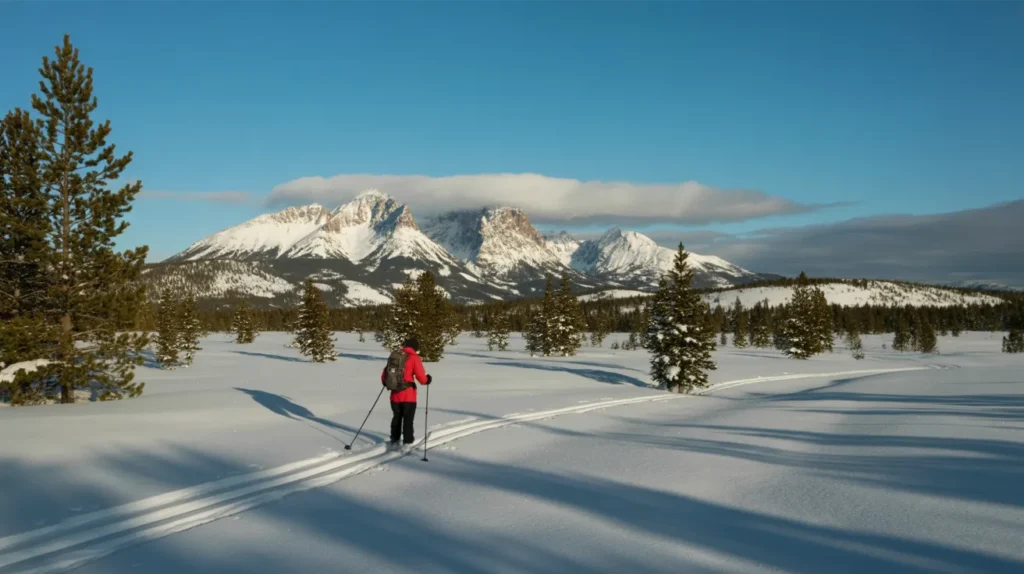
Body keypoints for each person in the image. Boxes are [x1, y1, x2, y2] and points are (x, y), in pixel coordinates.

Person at [380, 337, 431, 447]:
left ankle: (394, 440)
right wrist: (427, 380)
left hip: (394, 395)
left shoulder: (395, 357)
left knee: (396, 418)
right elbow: (422, 378)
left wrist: (388, 383)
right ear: (415, 347)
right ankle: (407, 442)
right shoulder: (414, 358)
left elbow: (384, 375)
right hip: (409, 396)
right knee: (408, 420)